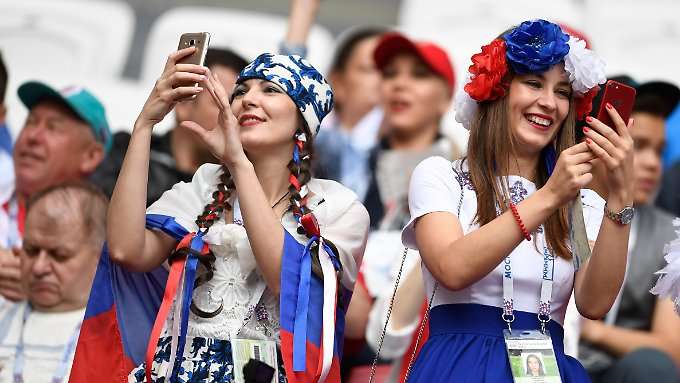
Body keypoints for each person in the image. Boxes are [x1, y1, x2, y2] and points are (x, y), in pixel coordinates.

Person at [71, 49, 369, 383]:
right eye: (241, 91)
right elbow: (126, 250)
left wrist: (239, 163)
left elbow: (290, 286)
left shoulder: (338, 206)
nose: (247, 99)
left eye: (270, 90)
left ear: (304, 120)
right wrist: (144, 125)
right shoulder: (205, 185)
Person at [402, 19, 633, 382]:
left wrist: (620, 196)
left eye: (562, 92)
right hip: (459, 364)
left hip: (547, 368)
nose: (548, 103)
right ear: (498, 90)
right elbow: (452, 268)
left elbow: (594, 303)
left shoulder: (578, 201)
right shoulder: (442, 176)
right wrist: (551, 195)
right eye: (533, 83)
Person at [577, 76, 680, 383]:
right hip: (544, 360)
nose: (652, 164)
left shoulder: (672, 234)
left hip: (620, 372)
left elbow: (672, 349)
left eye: (659, 151)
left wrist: (593, 330)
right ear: (593, 140)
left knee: (651, 366)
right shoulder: (551, 207)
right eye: (638, 146)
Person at [90, 48, 248, 206]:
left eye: (241, 105)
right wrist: (144, 125)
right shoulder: (122, 152)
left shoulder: (244, 182)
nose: (234, 114)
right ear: (183, 103)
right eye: (223, 101)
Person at [0, 81, 111, 302]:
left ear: (91, 156)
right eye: (30, 122)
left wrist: (49, 294)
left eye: (53, 127)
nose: (32, 136)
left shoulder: (106, 237)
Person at [0, 182, 108, 382]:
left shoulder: (116, 337)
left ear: (100, 259)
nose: (39, 267)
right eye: (31, 250)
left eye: (59, 255)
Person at [314, 26, 386, 201]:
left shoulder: (425, 150)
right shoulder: (309, 140)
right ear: (337, 81)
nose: (386, 80)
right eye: (370, 69)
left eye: (391, 72)